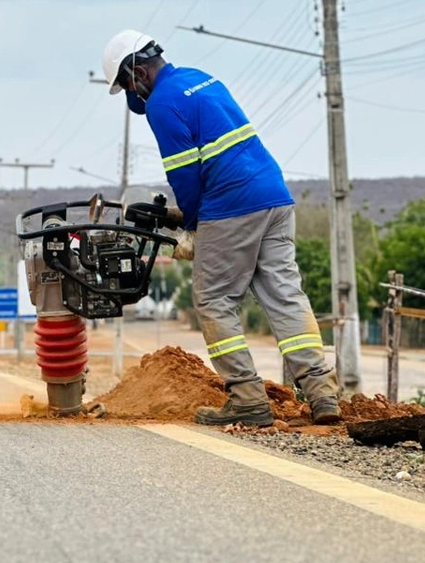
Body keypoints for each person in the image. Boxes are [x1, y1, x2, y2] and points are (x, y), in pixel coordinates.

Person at [101, 30, 342, 427]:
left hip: (232, 204)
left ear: (138, 72)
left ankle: (247, 398)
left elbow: (186, 177)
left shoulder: (161, 103)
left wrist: (194, 226)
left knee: (213, 299)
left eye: (127, 84)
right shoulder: (201, 77)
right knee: (285, 296)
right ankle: (322, 393)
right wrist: (186, 217)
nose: (132, 92)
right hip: (274, 197)